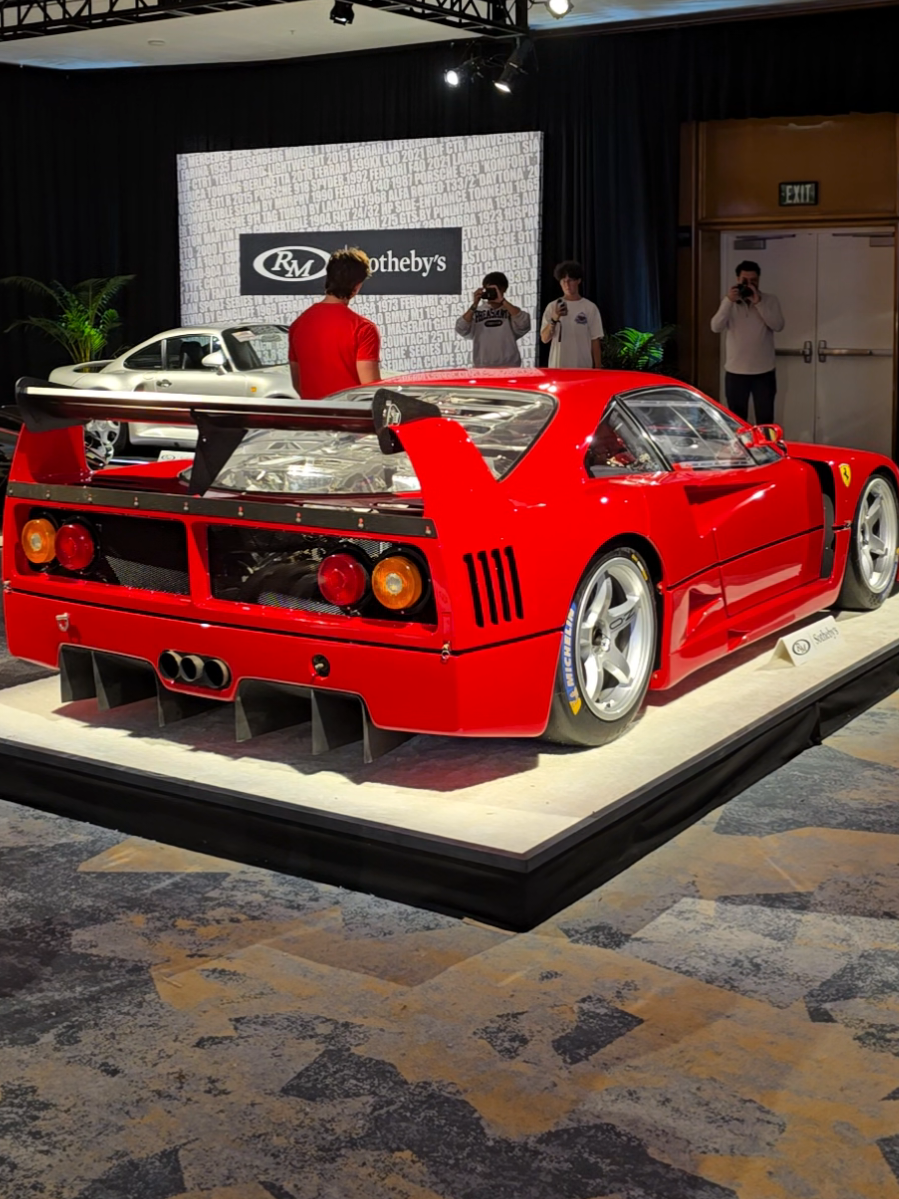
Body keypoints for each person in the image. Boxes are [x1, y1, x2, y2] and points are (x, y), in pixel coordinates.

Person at [288, 248, 381, 399]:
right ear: (357, 286)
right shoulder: (363, 328)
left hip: (314, 416)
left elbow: (298, 384)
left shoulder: (298, 325)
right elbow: (370, 390)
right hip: (351, 417)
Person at [710, 260, 784, 425]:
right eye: (745, 281)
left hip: (764, 372)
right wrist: (728, 301)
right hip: (736, 372)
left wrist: (758, 303)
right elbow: (715, 327)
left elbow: (778, 325)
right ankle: (741, 450)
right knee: (736, 421)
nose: (749, 285)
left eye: (754, 281)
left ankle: (767, 449)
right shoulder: (729, 303)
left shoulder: (769, 300)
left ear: (759, 280)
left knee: (765, 420)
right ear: (737, 279)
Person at [455, 272, 531, 367]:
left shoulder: (511, 311)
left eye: (495, 290)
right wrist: (474, 304)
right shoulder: (477, 311)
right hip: (482, 365)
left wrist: (502, 301)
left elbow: (524, 324)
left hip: (510, 365)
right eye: (489, 290)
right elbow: (460, 328)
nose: (492, 293)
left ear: (503, 289)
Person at [540, 260, 604, 369]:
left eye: (570, 280)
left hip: (582, 367)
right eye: (563, 281)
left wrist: (598, 367)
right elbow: (544, 339)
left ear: (578, 281)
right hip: (558, 368)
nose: (567, 285)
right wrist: (554, 319)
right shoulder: (552, 306)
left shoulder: (589, 307)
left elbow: (595, 339)